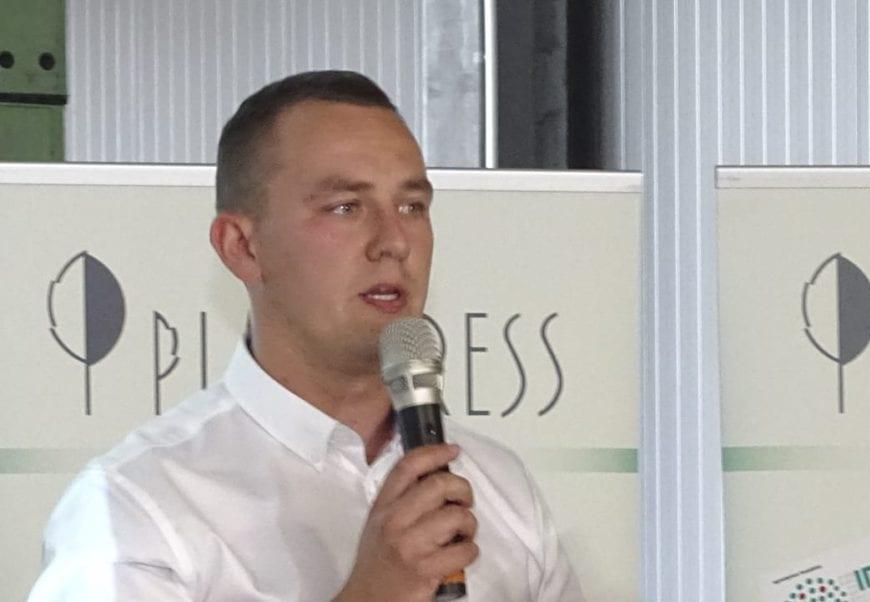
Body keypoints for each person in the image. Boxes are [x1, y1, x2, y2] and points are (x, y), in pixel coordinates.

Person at [29, 71, 583, 601]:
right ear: (243, 247)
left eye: (412, 206)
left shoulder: (499, 487)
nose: (394, 241)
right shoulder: (138, 504)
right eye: (345, 208)